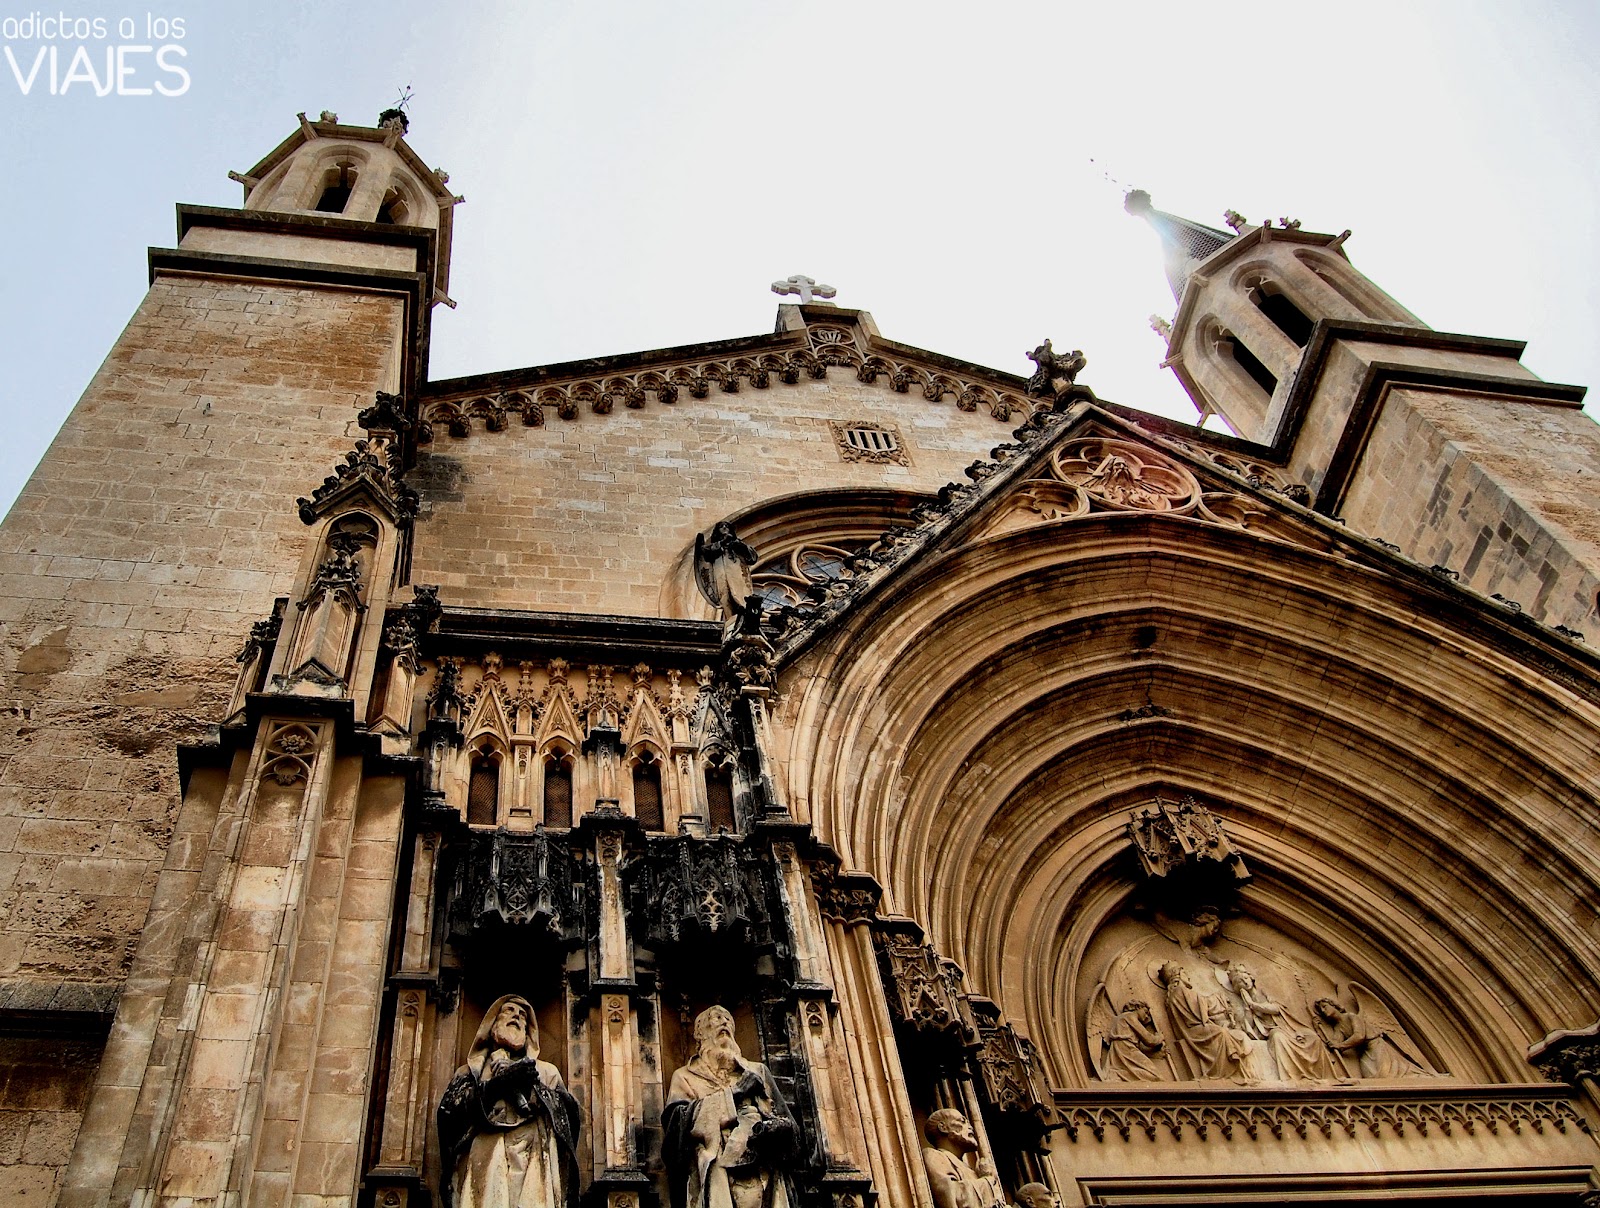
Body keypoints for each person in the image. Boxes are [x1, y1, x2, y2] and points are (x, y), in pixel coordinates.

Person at [437, 994, 580, 1208]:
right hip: (485, 1156)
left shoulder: (545, 1072)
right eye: (509, 1011)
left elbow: (568, 1115)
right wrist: (495, 1086)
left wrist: (531, 1088)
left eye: (522, 1015)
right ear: (493, 1024)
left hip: (533, 1156)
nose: (516, 1017)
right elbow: (449, 1115)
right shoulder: (471, 1071)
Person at [664, 1005, 798, 1208]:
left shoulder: (757, 1071)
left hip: (762, 1169)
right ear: (700, 1033)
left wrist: (776, 1129)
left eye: (728, 1019)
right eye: (717, 1018)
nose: (724, 1022)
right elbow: (677, 1127)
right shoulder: (685, 1076)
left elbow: (791, 1130)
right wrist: (736, 1094)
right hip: (716, 1172)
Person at [1158, 962, 1254, 1082]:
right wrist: (1217, 998)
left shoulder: (1177, 993)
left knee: (1225, 1032)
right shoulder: (1179, 991)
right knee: (1222, 1033)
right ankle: (1221, 1072)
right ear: (1177, 975)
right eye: (1184, 972)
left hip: (1196, 1028)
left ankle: (1234, 1067)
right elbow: (1199, 1011)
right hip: (1193, 1031)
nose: (1187, 976)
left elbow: (1199, 1006)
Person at [921, 1108, 1004, 1208]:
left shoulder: (974, 1171)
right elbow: (952, 1197)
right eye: (962, 1121)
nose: (970, 1127)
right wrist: (988, 1180)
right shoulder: (934, 1156)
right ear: (943, 1127)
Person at [1103, 1000, 1170, 1082]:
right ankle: (1116, 1073)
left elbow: (1139, 1047)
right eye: (1145, 1012)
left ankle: (1117, 1073)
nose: (1146, 1017)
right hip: (1126, 1050)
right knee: (1156, 1077)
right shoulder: (1129, 1016)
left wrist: (1157, 1054)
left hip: (1127, 1050)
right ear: (1138, 1008)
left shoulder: (1125, 1019)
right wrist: (1159, 1037)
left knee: (1153, 1077)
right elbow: (1149, 1040)